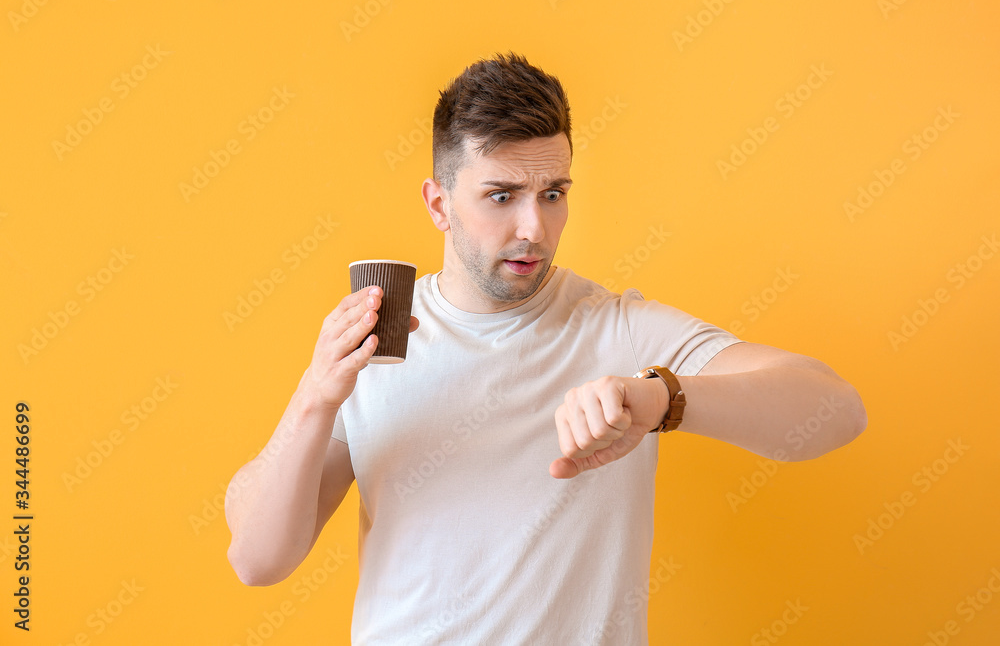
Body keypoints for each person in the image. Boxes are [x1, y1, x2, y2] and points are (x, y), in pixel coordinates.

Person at [224, 52, 867, 644]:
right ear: (439, 204)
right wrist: (315, 397)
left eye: (553, 194)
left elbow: (834, 411)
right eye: (501, 196)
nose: (534, 227)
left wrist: (662, 398)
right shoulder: (380, 342)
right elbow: (258, 560)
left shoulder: (618, 330)